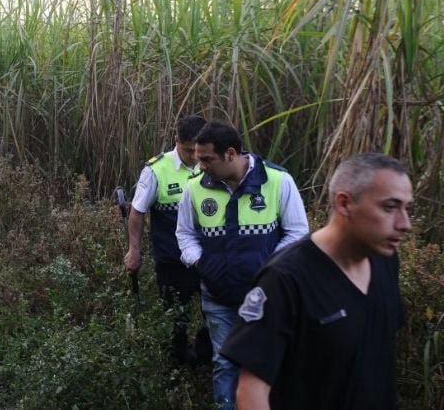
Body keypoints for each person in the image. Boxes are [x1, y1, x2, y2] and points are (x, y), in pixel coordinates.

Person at [221, 153, 411, 410]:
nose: (405, 223)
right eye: (389, 207)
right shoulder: (286, 278)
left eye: (406, 208)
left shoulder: (385, 261)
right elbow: (252, 388)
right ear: (344, 204)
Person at [175, 121, 308, 410]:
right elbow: (184, 233)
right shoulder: (195, 188)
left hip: (265, 297)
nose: (201, 166)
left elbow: (298, 233)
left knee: (268, 361)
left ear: (230, 154)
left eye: (207, 159)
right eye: (198, 159)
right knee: (224, 361)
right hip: (217, 296)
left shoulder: (277, 181)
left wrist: (268, 270)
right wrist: (200, 261)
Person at [124, 115, 211, 366]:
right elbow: (137, 212)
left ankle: (204, 358)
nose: (195, 157)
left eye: (199, 151)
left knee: (214, 314)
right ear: (177, 142)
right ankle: (177, 365)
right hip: (172, 261)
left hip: (209, 259)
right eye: (188, 150)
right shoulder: (156, 170)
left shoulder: (212, 164)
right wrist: (134, 250)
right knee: (175, 317)